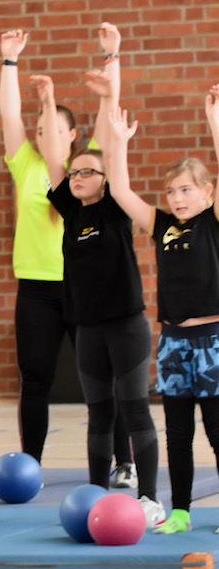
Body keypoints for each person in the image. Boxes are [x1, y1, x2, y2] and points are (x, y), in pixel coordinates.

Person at [0, 26, 136, 485]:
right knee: (34, 379)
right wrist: (10, 63)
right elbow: (9, 115)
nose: (44, 135)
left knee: (103, 380)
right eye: (39, 128)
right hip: (35, 288)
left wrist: (111, 57)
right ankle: (30, 465)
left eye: (54, 130)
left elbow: (110, 123)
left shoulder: (86, 170)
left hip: (83, 291)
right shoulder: (26, 164)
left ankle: (124, 461)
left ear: (73, 134)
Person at [36, 68, 163, 529]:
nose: (76, 176)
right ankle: (96, 496)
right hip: (88, 329)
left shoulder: (114, 206)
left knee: (134, 407)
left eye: (87, 172)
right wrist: (47, 101)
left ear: (104, 179)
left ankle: (150, 499)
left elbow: (111, 151)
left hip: (126, 326)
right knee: (99, 415)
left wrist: (110, 94)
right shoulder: (71, 210)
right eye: (74, 172)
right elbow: (54, 156)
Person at [104, 96, 219, 534]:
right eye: (171, 191)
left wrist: (214, 119)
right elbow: (120, 191)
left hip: (212, 340)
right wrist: (118, 143)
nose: (176, 197)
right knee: (178, 435)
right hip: (173, 342)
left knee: (217, 432)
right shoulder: (163, 226)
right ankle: (182, 512)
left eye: (186, 189)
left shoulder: (212, 223)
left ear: (207, 192)